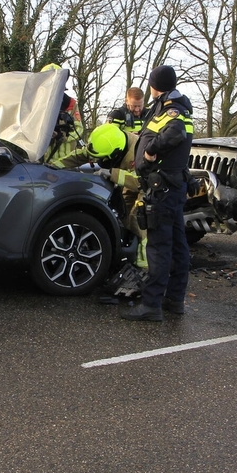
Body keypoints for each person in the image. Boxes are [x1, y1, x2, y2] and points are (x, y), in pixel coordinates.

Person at [123, 65, 194, 322]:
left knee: (159, 247)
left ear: (155, 85)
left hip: (162, 189)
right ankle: (174, 300)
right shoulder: (169, 105)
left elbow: (176, 132)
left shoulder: (172, 109)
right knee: (177, 245)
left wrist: (150, 151)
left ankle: (151, 305)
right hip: (171, 187)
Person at [57, 122, 147, 269]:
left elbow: (141, 181)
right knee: (123, 217)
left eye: (103, 159)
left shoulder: (139, 152)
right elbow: (80, 156)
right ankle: (128, 257)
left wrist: (113, 174)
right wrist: (53, 167)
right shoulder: (105, 143)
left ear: (115, 154)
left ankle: (145, 268)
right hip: (130, 182)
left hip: (149, 186)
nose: (99, 162)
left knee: (139, 219)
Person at [40, 63, 85, 167]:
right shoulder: (38, 105)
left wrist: (64, 136)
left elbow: (79, 129)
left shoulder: (71, 103)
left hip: (67, 163)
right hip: (44, 162)